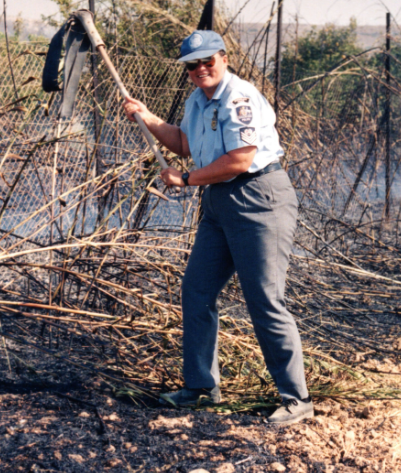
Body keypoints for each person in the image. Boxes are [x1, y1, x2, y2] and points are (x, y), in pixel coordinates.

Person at [122, 30, 312, 425]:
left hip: (258, 198)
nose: (200, 69)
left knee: (264, 298)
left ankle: (296, 399)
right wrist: (148, 117)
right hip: (218, 201)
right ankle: (201, 388)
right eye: (192, 64)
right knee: (197, 289)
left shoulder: (238, 97)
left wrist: (188, 181)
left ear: (224, 58)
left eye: (208, 60)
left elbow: (240, 160)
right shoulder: (198, 98)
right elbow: (187, 144)